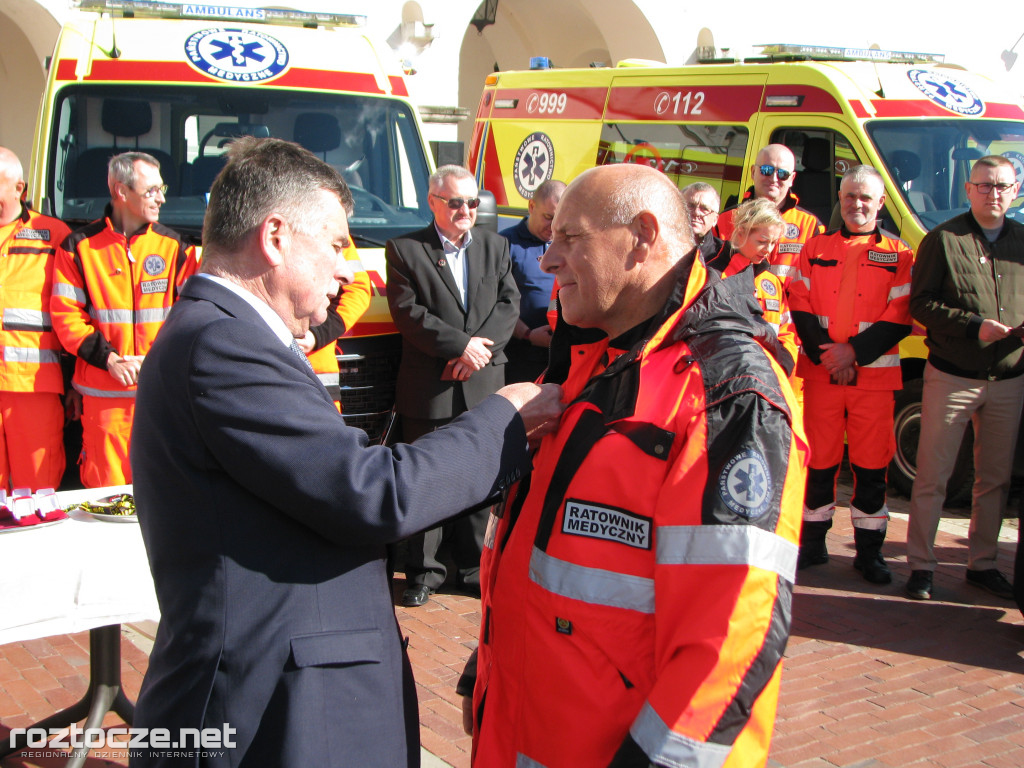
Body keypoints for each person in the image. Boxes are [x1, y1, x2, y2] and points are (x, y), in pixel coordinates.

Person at [129, 137, 563, 768]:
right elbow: (371, 492)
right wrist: (507, 420)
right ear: (275, 236)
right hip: (264, 713)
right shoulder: (224, 343)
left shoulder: (228, 333)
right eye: (335, 243)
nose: (348, 270)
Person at [460, 164, 809, 768]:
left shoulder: (726, 394)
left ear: (643, 236)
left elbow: (728, 650)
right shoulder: (593, 357)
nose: (546, 262)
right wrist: (487, 667)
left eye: (570, 239)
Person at [385, 164, 520, 607]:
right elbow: (409, 314)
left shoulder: (495, 246)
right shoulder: (406, 251)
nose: (466, 210)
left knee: (482, 480)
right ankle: (425, 572)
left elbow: (508, 302)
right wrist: (461, 347)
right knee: (428, 480)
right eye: (456, 202)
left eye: (472, 202)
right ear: (433, 202)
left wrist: (477, 353)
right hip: (432, 386)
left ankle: (472, 568)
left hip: (483, 384)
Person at [905, 154, 1024, 602]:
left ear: (1015, 191)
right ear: (969, 190)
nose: (994, 193)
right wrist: (974, 325)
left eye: (1002, 186)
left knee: (994, 479)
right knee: (933, 475)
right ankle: (920, 564)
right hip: (953, 375)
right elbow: (921, 304)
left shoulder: (1023, 241)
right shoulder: (943, 239)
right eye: (985, 185)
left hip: (1010, 378)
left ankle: (983, 562)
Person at [788, 165, 913, 584]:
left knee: (871, 466)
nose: (856, 204)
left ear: (880, 203)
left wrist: (852, 354)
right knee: (819, 463)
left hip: (873, 381)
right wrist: (830, 358)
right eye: (849, 196)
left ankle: (869, 553)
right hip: (822, 376)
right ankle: (813, 544)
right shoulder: (814, 247)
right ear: (839, 199)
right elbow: (799, 302)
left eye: (866, 198)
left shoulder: (899, 254)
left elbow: (900, 317)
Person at [51, 151, 197, 487]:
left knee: (165, 492)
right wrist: (111, 360)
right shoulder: (78, 247)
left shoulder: (176, 248)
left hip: (161, 395)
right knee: (106, 495)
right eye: (151, 191)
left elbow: (195, 315)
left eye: (162, 188)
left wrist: (159, 360)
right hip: (105, 399)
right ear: (120, 191)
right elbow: (66, 316)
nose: (161, 198)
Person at [0, 147, 71, 492]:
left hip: (33, 385)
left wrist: (77, 381)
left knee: (38, 489)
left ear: (20, 189)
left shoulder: (52, 235)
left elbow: (72, 310)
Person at [707, 197, 798, 375]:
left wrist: (783, 365)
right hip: (729, 376)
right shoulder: (716, 275)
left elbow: (787, 331)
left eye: (773, 243)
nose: (768, 249)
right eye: (762, 241)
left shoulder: (770, 281)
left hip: (768, 379)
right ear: (741, 233)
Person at [715, 143, 824, 288]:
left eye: (782, 174)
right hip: (736, 307)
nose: (773, 178)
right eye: (767, 170)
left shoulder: (811, 226)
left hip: (787, 308)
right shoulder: (726, 219)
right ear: (753, 172)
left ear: (792, 178)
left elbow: (819, 282)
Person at [500, 179, 565, 383]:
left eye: (559, 219)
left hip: (561, 354)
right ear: (531, 206)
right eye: (548, 217)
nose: (553, 226)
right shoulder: (504, 244)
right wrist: (527, 334)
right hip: (520, 356)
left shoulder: (568, 243)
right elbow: (494, 303)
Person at [295, 241, 372, 407]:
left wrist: (317, 334)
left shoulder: (331, 222)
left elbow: (356, 289)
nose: (345, 275)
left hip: (316, 370)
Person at [680, 181, 723, 264]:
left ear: (715, 219)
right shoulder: (660, 246)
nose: (696, 212)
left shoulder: (723, 255)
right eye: (690, 205)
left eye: (704, 208)